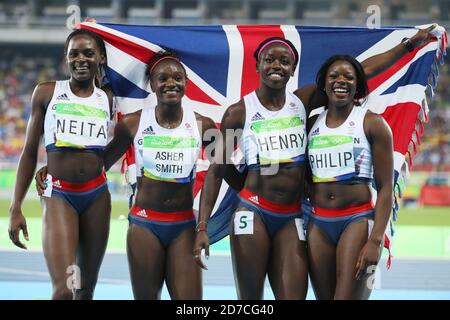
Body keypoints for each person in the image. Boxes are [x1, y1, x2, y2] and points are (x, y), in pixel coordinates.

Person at [195, 26, 436, 300]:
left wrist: (407, 46)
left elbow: (360, 72)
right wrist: (203, 224)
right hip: (253, 212)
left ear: (292, 68)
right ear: (258, 64)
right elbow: (217, 170)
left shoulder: (303, 101)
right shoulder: (238, 112)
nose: (277, 65)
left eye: (284, 61)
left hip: (293, 216)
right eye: (270, 60)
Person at [8, 28, 114, 300]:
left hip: (97, 196)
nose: (81, 59)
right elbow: (30, 151)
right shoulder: (46, 93)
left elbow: (111, 148)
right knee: (65, 289)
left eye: (88, 53)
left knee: (84, 288)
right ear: (65, 58)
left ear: (100, 58)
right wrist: (16, 207)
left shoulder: (108, 98)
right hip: (59, 196)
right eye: (74, 53)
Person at [102, 50, 216, 299]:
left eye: (177, 78)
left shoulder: (203, 125)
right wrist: (56, 167)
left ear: (186, 83)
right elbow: (100, 164)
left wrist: (204, 225)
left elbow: (223, 169)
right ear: (152, 85)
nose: (171, 83)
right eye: (163, 78)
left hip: (185, 226)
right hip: (145, 225)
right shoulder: (131, 124)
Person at [304, 55, 393, 300]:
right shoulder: (312, 123)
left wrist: (375, 240)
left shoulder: (373, 123)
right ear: (324, 84)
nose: (340, 81)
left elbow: (386, 188)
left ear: (358, 85)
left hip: (357, 221)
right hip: (318, 223)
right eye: (334, 76)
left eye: (349, 77)